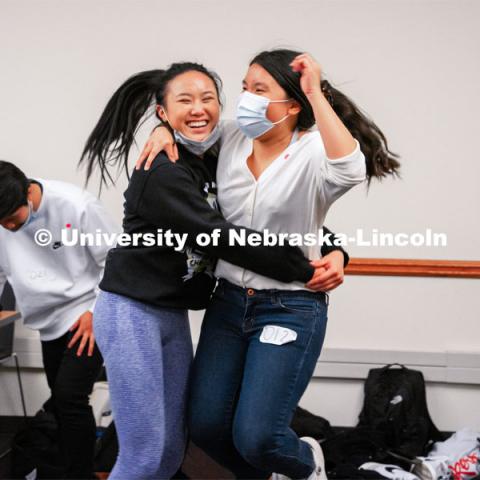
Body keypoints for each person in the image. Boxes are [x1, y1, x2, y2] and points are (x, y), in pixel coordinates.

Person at [79, 61, 350, 480]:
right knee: (145, 454)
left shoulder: (213, 158)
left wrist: (333, 249)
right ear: (162, 112)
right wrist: (303, 268)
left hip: (170, 313)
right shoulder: (161, 172)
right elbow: (219, 236)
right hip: (131, 312)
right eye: (184, 100)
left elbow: (271, 217)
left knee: (172, 449)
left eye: (208, 98)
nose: (199, 108)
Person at [137, 49, 400, 479]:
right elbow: (191, 124)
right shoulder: (232, 139)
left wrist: (317, 95)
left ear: (292, 105)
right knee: (205, 425)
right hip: (229, 304)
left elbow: (350, 169)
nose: (247, 100)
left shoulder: (314, 150)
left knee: (258, 436)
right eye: (244, 88)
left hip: (290, 307)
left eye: (260, 90)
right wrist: (161, 130)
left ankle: (306, 463)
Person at [0, 160, 119, 479]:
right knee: (62, 400)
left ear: (28, 192)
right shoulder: (2, 220)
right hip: (46, 320)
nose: (9, 228)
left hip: (86, 313)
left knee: (69, 397)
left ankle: (80, 474)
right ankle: (64, 469)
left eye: (13, 219)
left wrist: (96, 313)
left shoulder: (76, 205)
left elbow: (116, 262)